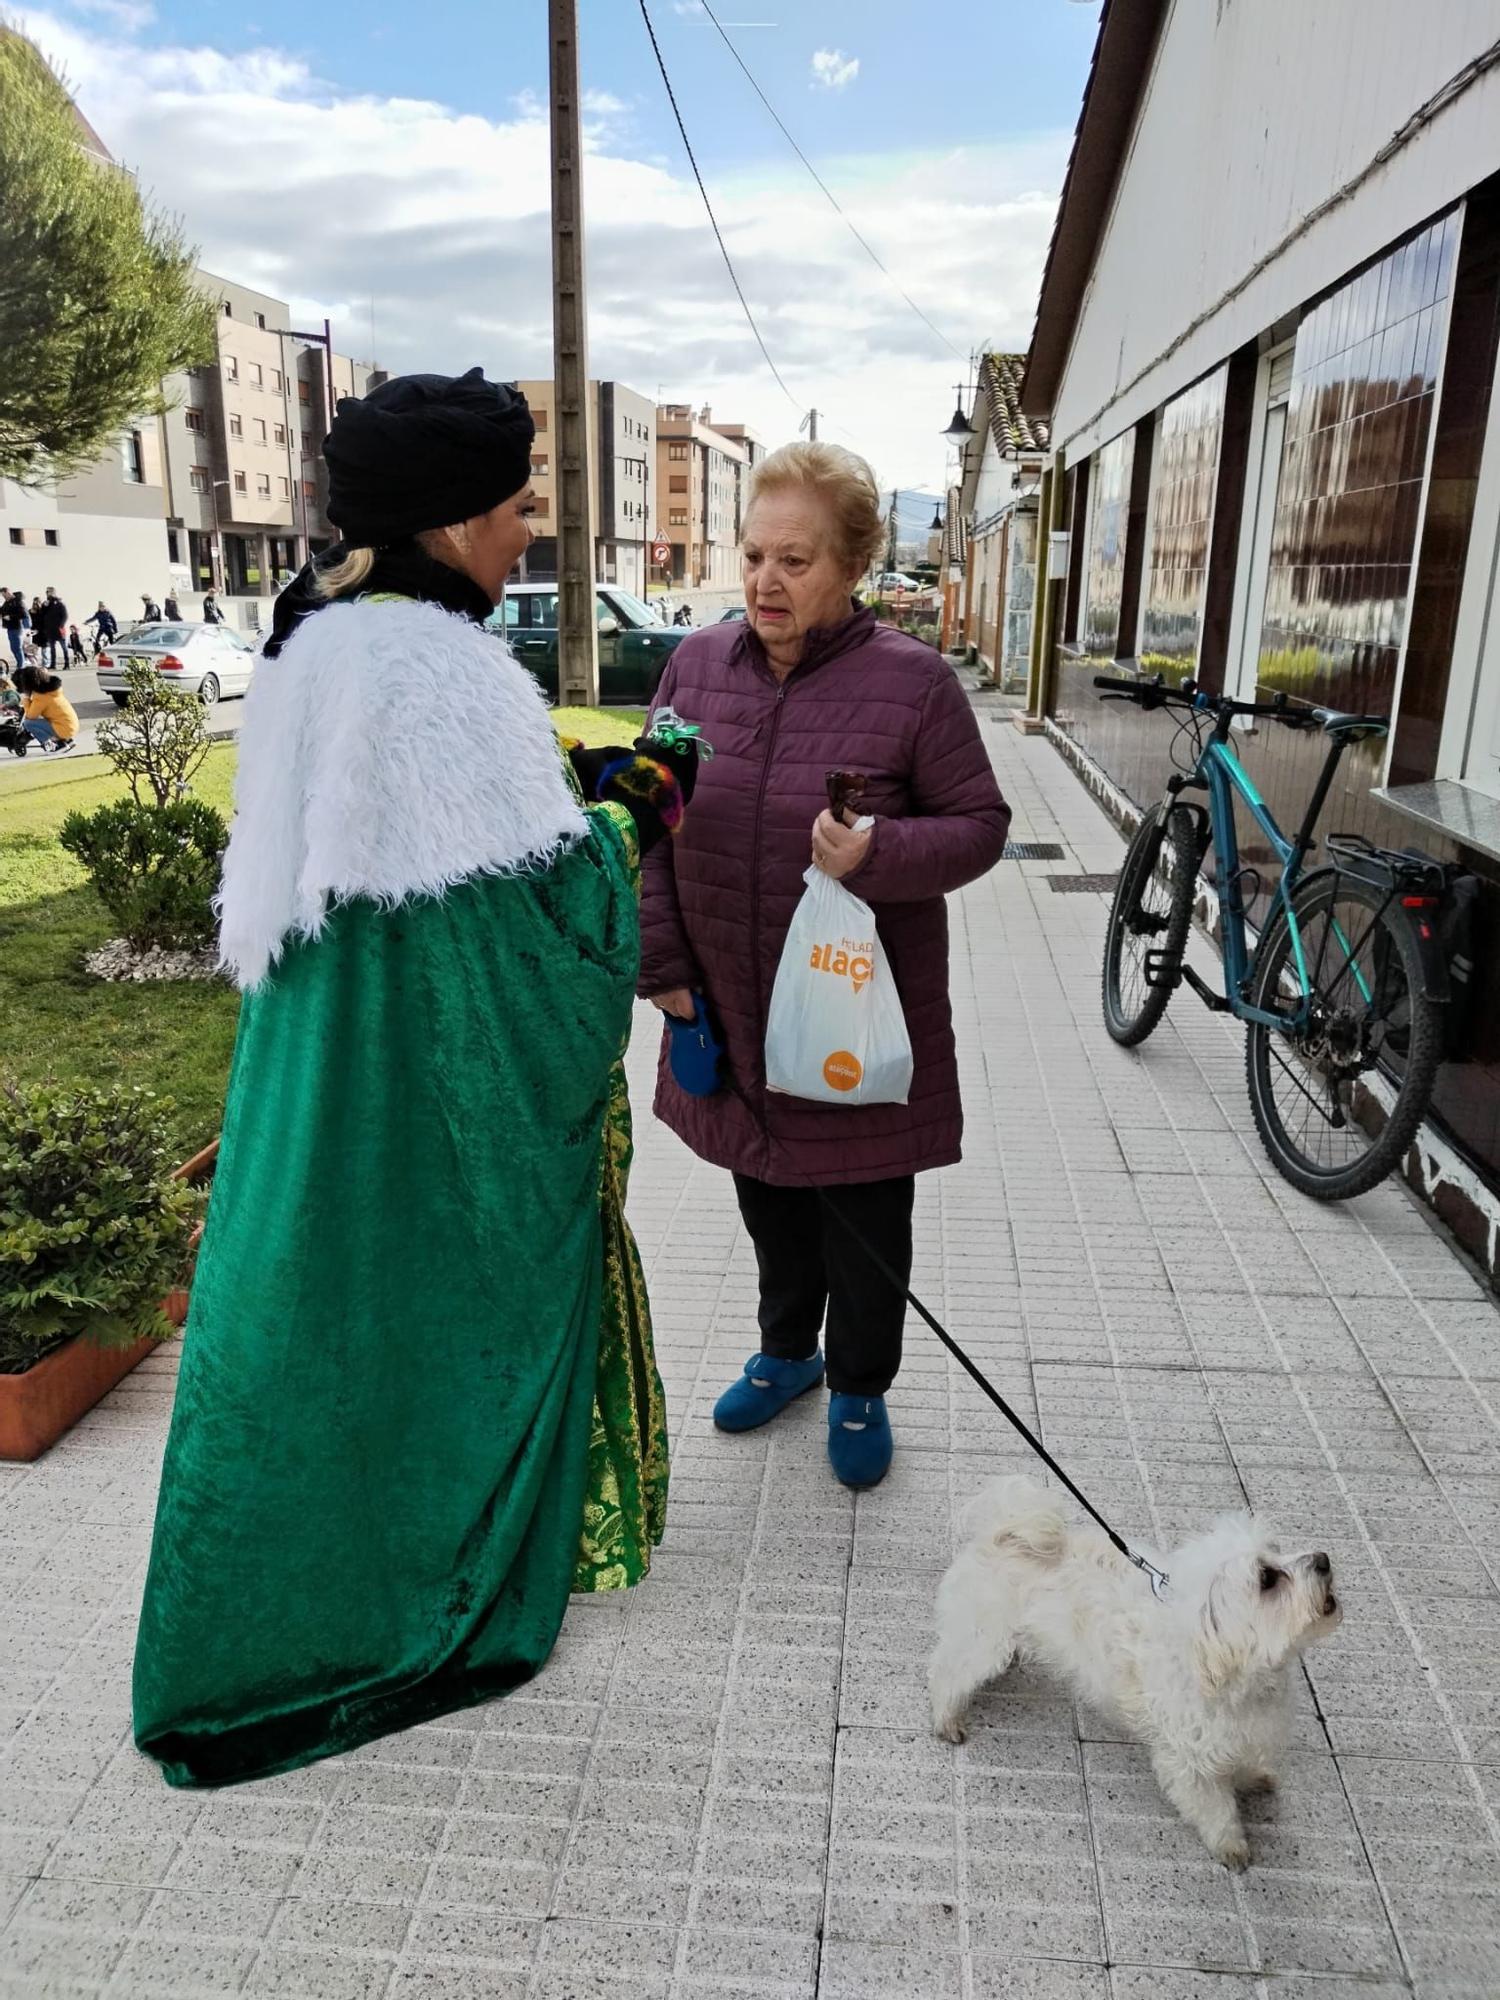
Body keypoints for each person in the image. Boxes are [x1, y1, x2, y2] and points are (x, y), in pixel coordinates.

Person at [133, 368, 699, 1790]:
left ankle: (263, 1597)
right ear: (450, 520)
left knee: (312, 1309)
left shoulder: (321, 639)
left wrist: (572, 793)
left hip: (314, 1070)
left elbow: (445, 859)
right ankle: (389, 1604)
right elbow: (546, 933)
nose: (525, 532)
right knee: (419, 1312)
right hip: (409, 1094)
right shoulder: (446, 670)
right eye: (515, 507)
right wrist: (640, 804)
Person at [640, 441, 1010, 1490]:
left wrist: (878, 853)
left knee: (863, 1210)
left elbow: (980, 826)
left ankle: (858, 1383)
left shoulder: (913, 683)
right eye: (755, 555)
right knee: (767, 1191)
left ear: (852, 566)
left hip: (854, 1008)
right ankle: (787, 1351)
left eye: (795, 561)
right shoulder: (695, 666)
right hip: (730, 995)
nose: (766, 581)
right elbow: (648, 810)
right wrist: (661, 959)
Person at [19, 664, 79, 752]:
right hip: (71, 725)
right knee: (45, 721)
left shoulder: (41, 697)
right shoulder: (52, 690)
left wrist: (26, 700)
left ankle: (56, 744)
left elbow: (30, 716)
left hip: (64, 728)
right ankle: (67, 740)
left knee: (28, 723)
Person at [0, 589, 26, 673]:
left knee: (17, 648)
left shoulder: (17, 601)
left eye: (4, 595)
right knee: (13, 648)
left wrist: (10, 617)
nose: (3, 597)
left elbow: (23, 614)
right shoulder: (6, 602)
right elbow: (2, 611)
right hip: (10, 628)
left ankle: (21, 666)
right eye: (2, 595)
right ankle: (20, 664)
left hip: (17, 628)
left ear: (8, 592)